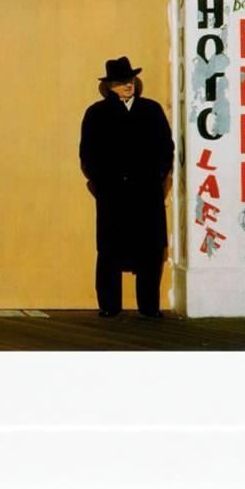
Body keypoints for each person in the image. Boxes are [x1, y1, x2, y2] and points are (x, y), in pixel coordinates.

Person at [78, 55, 175, 318]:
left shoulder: (151, 110)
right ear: (109, 85)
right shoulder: (96, 113)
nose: (128, 85)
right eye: (121, 81)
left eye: (130, 79)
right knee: (109, 248)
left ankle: (149, 307)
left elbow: (166, 148)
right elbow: (87, 153)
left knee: (151, 249)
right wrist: (102, 181)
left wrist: (157, 176)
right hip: (113, 192)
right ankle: (109, 306)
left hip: (147, 191)